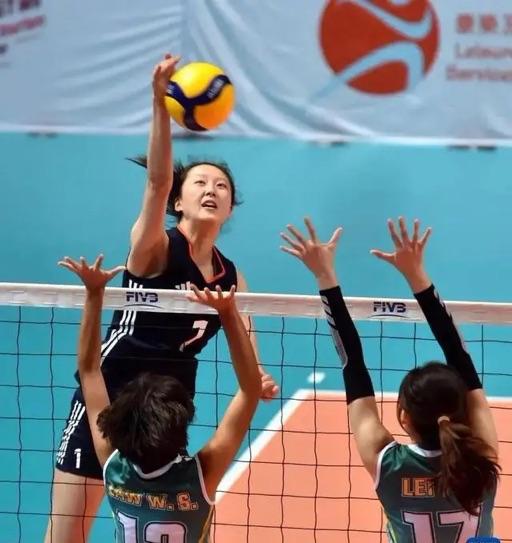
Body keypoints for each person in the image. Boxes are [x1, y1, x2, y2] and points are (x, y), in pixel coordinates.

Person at [45, 53, 277, 543]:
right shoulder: (153, 249)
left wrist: (259, 375)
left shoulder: (233, 276)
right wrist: (159, 104)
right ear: (178, 200)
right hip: (108, 397)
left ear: (230, 207)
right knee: (66, 536)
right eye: (200, 183)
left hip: (167, 413)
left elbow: (246, 343)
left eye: (222, 186)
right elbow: (156, 179)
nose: (212, 189)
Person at [281, 216, 500, 542]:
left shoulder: (389, 465)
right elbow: (459, 353)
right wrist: (417, 275)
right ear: (463, 410)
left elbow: (352, 364)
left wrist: (325, 276)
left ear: (404, 417)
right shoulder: (482, 459)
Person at [55, 254, 261, 543]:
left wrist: (94, 293)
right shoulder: (200, 477)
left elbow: (90, 370)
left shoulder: (114, 467)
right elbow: (251, 389)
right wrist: (227, 313)